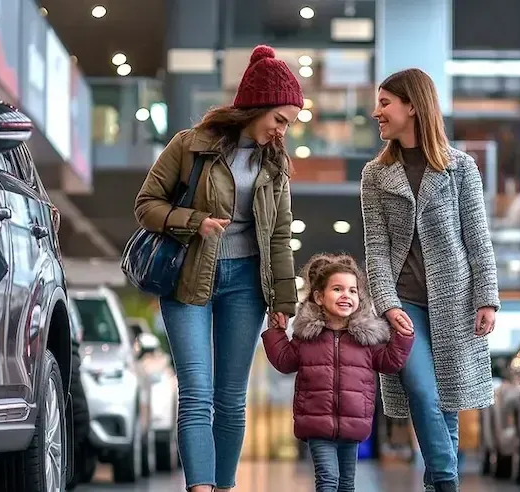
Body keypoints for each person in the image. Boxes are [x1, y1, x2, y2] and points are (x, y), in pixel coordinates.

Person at [133, 44, 303, 492]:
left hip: (246, 285)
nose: (282, 130)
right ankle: (200, 488)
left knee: (230, 400)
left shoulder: (276, 163)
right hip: (187, 278)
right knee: (197, 394)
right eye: (279, 119)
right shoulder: (190, 146)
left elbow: (280, 236)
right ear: (257, 106)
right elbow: (146, 205)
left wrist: (283, 302)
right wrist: (194, 222)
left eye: (288, 122)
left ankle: (223, 486)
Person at [361, 68, 500, 492]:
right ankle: (445, 481)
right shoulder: (375, 174)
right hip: (403, 306)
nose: (376, 112)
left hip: (455, 302)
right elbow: (376, 249)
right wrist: (388, 305)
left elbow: (477, 238)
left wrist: (487, 298)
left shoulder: (461, 168)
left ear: (413, 107)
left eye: (385, 103)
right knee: (424, 391)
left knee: (449, 402)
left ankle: (439, 485)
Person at [262, 253, 414, 492]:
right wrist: (276, 333)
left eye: (352, 291)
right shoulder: (307, 337)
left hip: (353, 423)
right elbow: (284, 362)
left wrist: (403, 336)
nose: (346, 295)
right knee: (328, 479)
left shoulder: (366, 338)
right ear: (319, 297)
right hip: (316, 424)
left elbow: (390, 362)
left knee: (346, 484)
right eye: (338, 289)